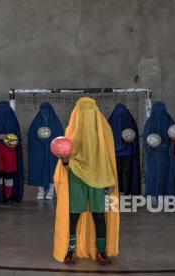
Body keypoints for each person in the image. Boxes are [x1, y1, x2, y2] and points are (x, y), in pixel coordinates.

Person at [53, 97, 119, 266]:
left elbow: (108, 156)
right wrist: (65, 160)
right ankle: (71, 250)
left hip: (100, 177)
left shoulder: (104, 129)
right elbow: (66, 159)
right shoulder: (71, 129)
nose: (86, 113)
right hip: (77, 176)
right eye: (83, 110)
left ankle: (101, 251)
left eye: (90, 109)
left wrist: (110, 179)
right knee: (74, 214)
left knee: (98, 214)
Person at [0, 101, 24, 203]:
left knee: (9, 174)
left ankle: (8, 196)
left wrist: (12, 139)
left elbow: (18, 137)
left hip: (10, 152)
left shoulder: (13, 121)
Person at [27, 102, 63, 200]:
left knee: (52, 169)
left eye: (47, 110)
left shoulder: (56, 122)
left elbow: (60, 135)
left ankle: (51, 191)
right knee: (39, 169)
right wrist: (39, 144)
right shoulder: (36, 122)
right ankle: (40, 190)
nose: (45, 112)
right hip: (39, 151)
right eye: (43, 110)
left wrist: (52, 144)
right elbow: (31, 135)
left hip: (52, 151)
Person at [143, 101, 175, 199]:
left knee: (161, 174)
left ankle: (158, 195)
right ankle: (157, 195)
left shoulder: (150, 122)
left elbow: (174, 137)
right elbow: (146, 139)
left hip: (162, 155)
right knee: (156, 174)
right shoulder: (169, 120)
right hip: (158, 155)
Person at [107, 103, 141, 195]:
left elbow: (135, 137)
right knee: (117, 173)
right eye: (118, 112)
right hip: (115, 153)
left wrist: (131, 138)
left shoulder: (129, 121)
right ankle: (117, 191)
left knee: (126, 173)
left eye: (122, 112)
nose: (120, 115)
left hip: (127, 152)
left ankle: (126, 192)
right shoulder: (110, 123)